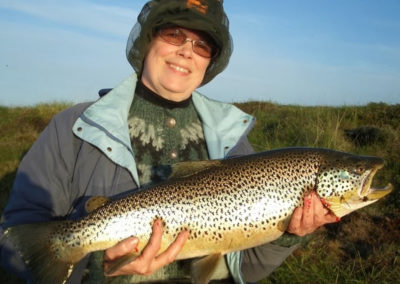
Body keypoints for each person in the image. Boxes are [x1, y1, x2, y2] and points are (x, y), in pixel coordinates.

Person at [0, 0, 338, 283]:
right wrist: (101, 265)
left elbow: (245, 267)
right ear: (149, 39)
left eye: (203, 44)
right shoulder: (73, 126)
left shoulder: (232, 141)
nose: (187, 52)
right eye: (174, 33)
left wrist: (289, 235)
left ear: (210, 60)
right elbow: (16, 242)